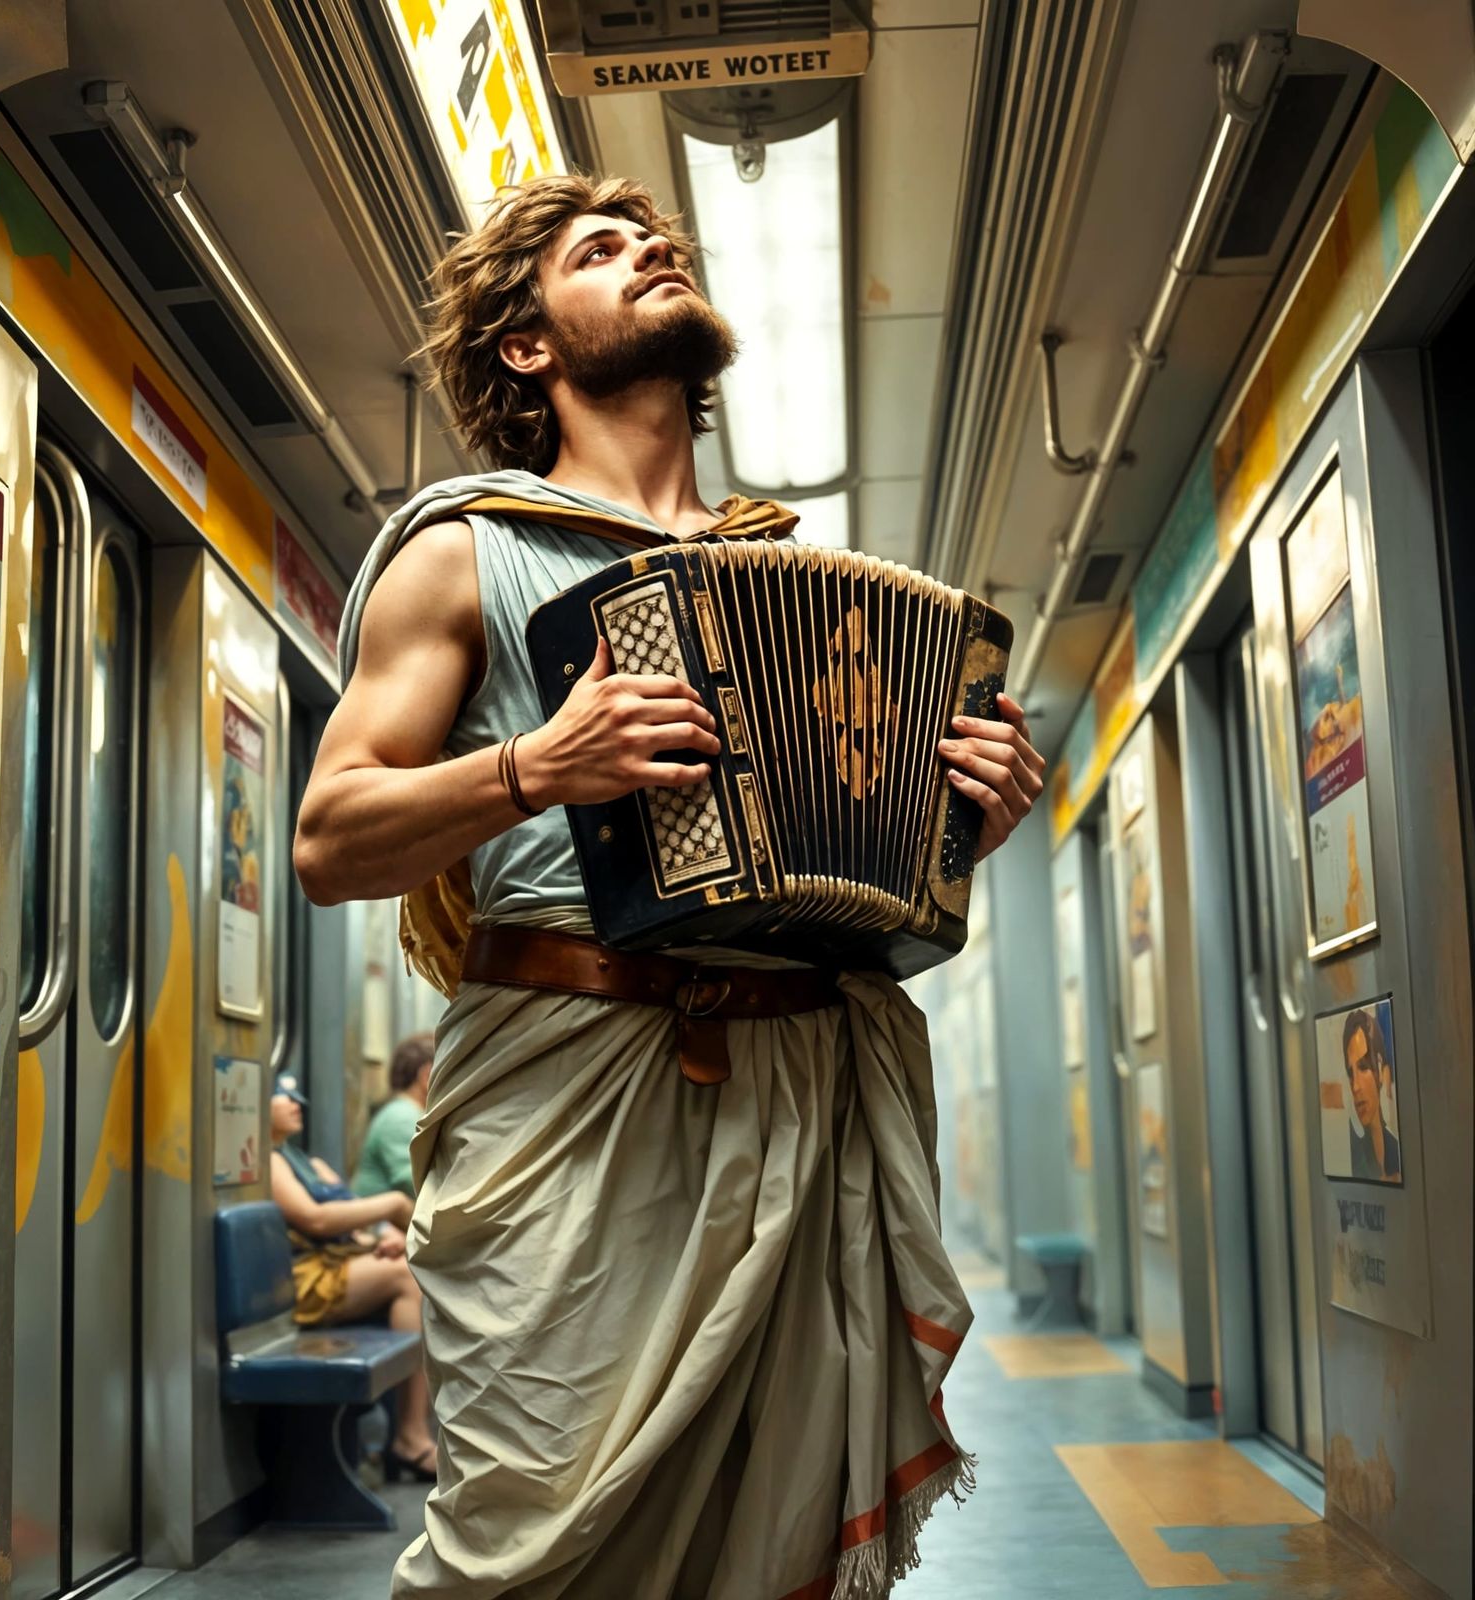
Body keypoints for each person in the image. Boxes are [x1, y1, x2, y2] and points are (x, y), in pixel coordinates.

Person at [294, 174, 1046, 1599]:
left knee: (771, 1550)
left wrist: (964, 825)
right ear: (529, 346)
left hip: (802, 1093)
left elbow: (867, 892)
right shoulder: (467, 552)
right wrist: (536, 765)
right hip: (570, 1094)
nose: (653, 251)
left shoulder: (802, 583)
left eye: (661, 242)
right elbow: (332, 839)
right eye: (603, 250)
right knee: (533, 1541)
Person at [267, 1073, 438, 1479]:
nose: (296, 1103)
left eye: (297, 1096)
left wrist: (382, 1240)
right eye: (281, 1096)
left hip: (335, 1265)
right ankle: (410, 1436)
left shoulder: (308, 1162)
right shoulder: (269, 1162)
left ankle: (414, 1431)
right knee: (407, 1277)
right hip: (306, 1279)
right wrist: (393, 1207)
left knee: (411, 1266)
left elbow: (352, 1225)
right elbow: (316, 1219)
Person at [354, 1033, 434, 1201]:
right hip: (376, 1224)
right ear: (426, 1075)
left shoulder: (408, 1112)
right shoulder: (401, 1116)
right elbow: (415, 1182)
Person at [1342, 1009, 1402, 1183]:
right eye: (1350, 1072)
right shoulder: (1357, 1158)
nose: (1355, 1086)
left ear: (1381, 1071)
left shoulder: (1397, 1150)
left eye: (1363, 1067)